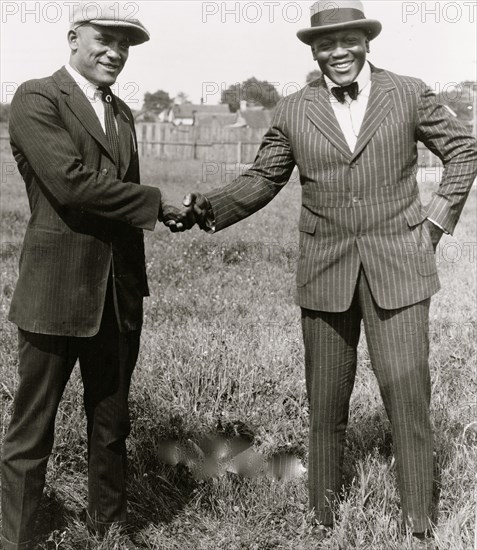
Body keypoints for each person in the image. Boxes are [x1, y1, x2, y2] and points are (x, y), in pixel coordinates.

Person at [168, 2, 477, 548]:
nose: (338, 53)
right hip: (325, 272)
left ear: (365, 41)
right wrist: (202, 209)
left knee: (407, 397)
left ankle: (420, 522)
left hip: (401, 268)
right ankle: (323, 518)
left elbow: (464, 149)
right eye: (325, 44)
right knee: (326, 401)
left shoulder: (408, 92)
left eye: (347, 41)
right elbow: (264, 178)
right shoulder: (293, 109)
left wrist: (435, 222)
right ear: (312, 50)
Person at [1, 3, 176, 548]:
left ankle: (110, 529)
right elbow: (72, 184)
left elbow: (122, 210)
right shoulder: (35, 97)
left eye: (125, 44)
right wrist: (161, 203)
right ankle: (17, 537)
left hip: (117, 295)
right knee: (32, 430)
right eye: (105, 39)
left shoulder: (122, 113)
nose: (115, 52)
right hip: (55, 292)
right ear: (74, 36)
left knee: (111, 422)